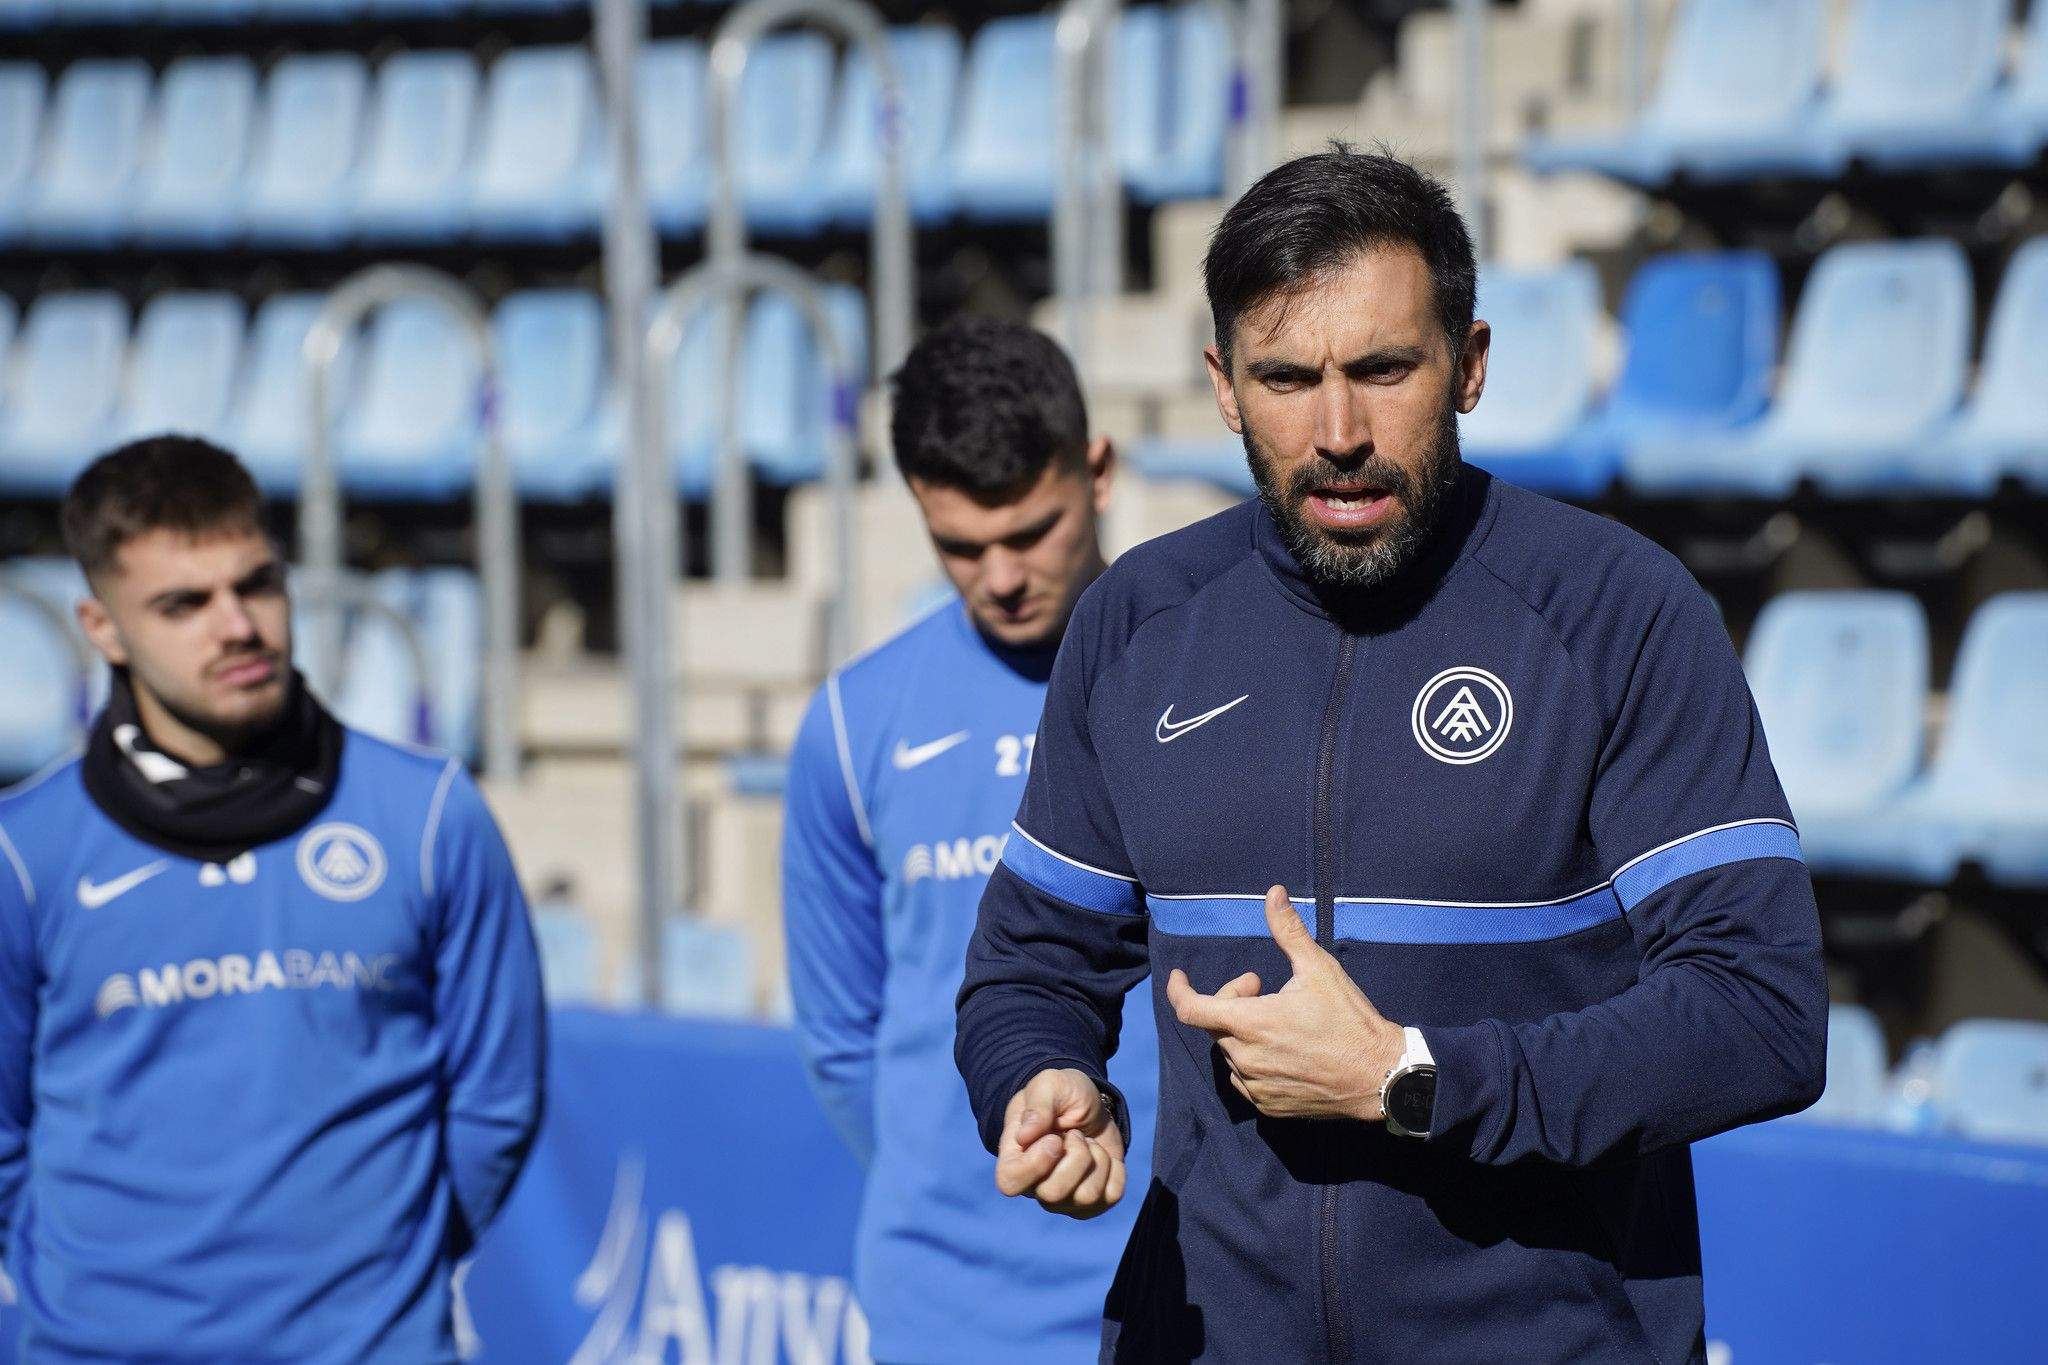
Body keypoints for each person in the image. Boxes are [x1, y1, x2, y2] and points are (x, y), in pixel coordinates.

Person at [955, 147, 1827, 1363]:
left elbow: (1758, 1014)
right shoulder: (1137, 624)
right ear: (1222, 387)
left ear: (1467, 364)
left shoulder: (1615, 612)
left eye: (1382, 369)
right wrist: (1039, 1076)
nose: (1338, 433)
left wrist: (1407, 1079)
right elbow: (1027, 966)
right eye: (1284, 378)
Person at [0, 437, 546, 1361]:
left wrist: (383, 1277)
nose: (237, 626)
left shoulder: (426, 815)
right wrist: (100, 1297)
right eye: (183, 604)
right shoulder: (25, 852)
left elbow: (496, 1100)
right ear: (103, 627)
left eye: (256, 585)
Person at [782, 317, 1158, 1362]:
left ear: (1097, 472)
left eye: (1030, 532)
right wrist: (964, 1178)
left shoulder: (1200, 682)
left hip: (1188, 1284)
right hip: (944, 1306)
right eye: (959, 545)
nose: (999, 576)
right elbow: (842, 1038)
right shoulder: (855, 724)